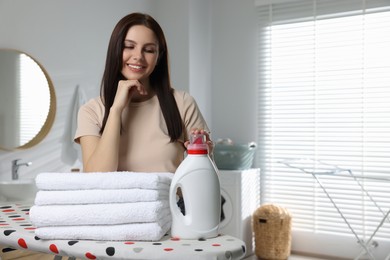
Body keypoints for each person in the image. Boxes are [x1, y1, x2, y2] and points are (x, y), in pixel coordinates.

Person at [74, 12, 213, 173]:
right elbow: (96, 177)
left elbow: (203, 176)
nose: (138, 57)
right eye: (129, 46)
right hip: (116, 199)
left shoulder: (182, 103)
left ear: (158, 57)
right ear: (115, 49)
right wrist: (116, 110)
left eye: (148, 50)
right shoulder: (91, 111)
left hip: (172, 199)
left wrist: (206, 157)